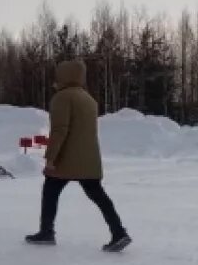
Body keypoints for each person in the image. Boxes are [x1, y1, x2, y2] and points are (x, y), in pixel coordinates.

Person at [26, 59, 132, 252]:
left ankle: (46, 232)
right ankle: (119, 232)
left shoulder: (62, 98)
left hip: (66, 158)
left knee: (50, 190)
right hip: (89, 157)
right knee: (98, 195)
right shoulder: (88, 98)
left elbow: (60, 130)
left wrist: (50, 158)